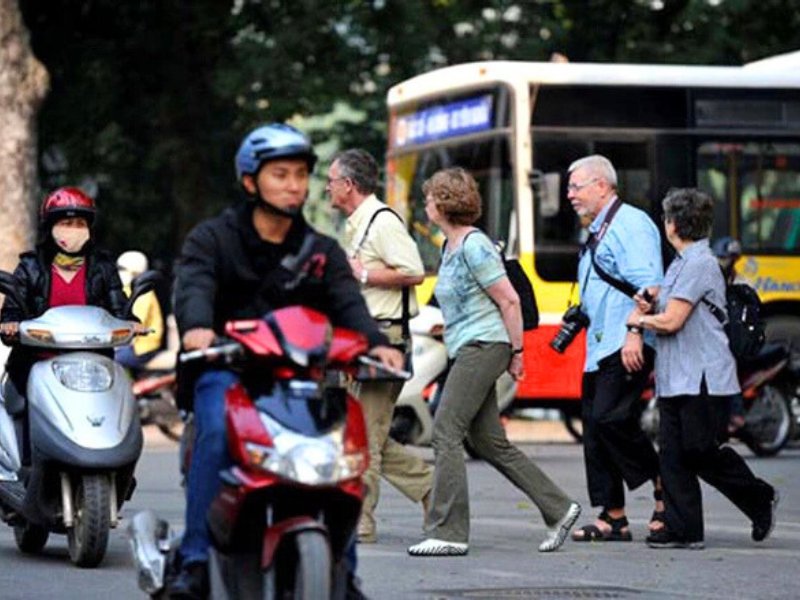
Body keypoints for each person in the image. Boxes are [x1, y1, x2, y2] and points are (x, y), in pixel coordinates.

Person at [168, 123, 402, 599]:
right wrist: (196, 326)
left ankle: (345, 571)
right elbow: (193, 286)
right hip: (225, 371)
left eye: (300, 174)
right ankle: (193, 562)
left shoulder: (320, 250)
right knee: (214, 427)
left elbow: (348, 303)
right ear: (250, 181)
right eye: (280, 174)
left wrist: (376, 342)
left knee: (344, 448)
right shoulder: (212, 239)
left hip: (300, 380)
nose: (294, 185)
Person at [407, 167, 580, 557]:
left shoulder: (474, 246)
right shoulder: (450, 247)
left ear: (444, 203)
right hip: (469, 344)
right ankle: (559, 507)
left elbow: (509, 300)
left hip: (485, 346)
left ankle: (449, 533)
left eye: (431, 197)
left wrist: (517, 354)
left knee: (445, 430)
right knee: (487, 440)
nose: (426, 203)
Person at [628, 188, 779, 549]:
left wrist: (638, 322)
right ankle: (684, 529)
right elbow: (668, 308)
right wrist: (648, 303)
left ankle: (759, 497)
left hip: (703, 376)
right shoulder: (680, 263)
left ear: (673, 224)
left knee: (698, 450)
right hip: (675, 375)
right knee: (673, 456)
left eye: (666, 218)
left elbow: (674, 320)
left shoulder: (699, 263)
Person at [327, 148, 434, 544]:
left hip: (383, 337)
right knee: (359, 430)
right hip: (359, 339)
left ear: (349, 185)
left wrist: (364, 274)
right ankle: (432, 490)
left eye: (331, 180)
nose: (327, 188)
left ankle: (360, 522)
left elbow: (414, 272)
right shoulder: (360, 223)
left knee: (366, 436)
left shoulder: (383, 222)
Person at [565, 155, 664, 543]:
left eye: (576, 187)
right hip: (600, 342)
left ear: (602, 186)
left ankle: (663, 485)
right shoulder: (595, 228)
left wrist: (635, 333)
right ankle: (612, 517)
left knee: (610, 419)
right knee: (594, 427)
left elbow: (650, 287)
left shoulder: (632, 224)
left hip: (626, 342)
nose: (570, 195)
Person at [1, 187, 131, 395]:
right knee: (18, 411)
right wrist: (11, 325)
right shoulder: (30, 266)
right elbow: (12, 311)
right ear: (50, 227)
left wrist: (132, 322)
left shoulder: (103, 267)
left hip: (94, 370)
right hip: (37, 365)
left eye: (80, 224)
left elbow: (120, 311)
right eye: (66, 224)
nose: (74, 229)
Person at [115, 250, 165, 370]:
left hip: (142, 347)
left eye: (121, 268)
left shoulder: (143, 293)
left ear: (135, 272)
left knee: (107, 361)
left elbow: (134, 324)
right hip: (130, 344)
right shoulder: (127, 289)